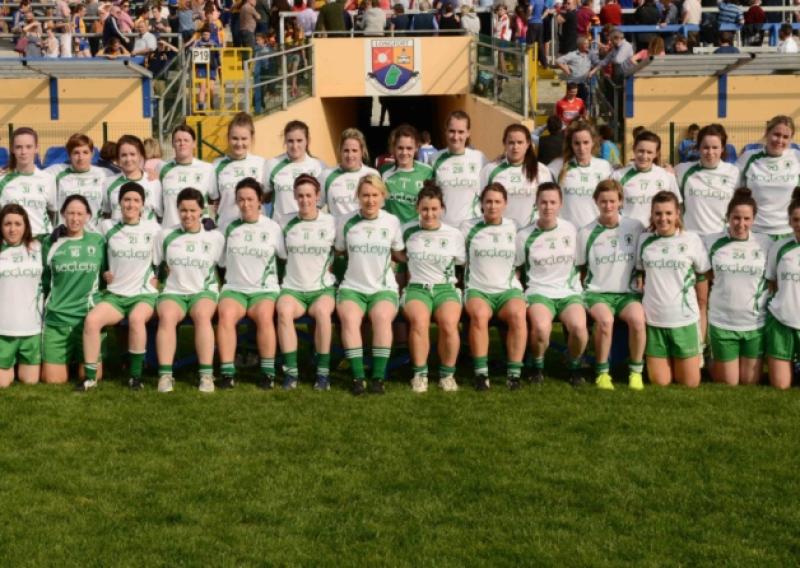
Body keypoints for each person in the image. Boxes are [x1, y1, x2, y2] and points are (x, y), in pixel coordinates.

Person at [82, 182, 161, 391]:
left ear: (143, 205)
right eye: (126, 200)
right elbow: (90, 246)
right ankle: (89, 378)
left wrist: (158, 277)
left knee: (136, 319)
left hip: (143, 294)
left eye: (136, 200)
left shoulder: (153, 228)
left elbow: (164, 258)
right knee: (92, 321)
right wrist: (104, 273)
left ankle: (135, 376)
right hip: (115, 295)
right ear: (119, 203)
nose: (131, 204)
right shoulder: (107, 226)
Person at [335, 175, 404, 395]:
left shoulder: (392, 221)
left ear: (383, 196)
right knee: (349, 319)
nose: (370, 200)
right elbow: (339, 250)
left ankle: (378, 378)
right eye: (365, 195)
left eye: (375, 195)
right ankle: (358, 378)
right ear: (358, 196)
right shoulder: (346, 221)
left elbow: (399, 254)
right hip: (352, 288)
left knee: (381, 318)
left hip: (383, 288)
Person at [216, 178, 285, 390]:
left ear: (260, 200)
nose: (245, 204)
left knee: (264, 316)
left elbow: (284, 257)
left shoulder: (273, 228)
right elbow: (220, 262)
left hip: (264, 290)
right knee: (225, 316)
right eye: (241, 200)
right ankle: (227, 373)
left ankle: (268, 373)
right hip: (235, 289)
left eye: (250, 199)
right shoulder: (228, 227)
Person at [154, 188, 225, 393]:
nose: (188, 215)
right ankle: (165, 375)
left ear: (201, 210)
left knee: (202, 315)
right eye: (183, 210)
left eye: (193, 210)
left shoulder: (215, 237)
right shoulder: (165, 235)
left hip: (203, 291)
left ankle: (206, 375)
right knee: (167, 317)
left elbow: (223, 266)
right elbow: (156, 266)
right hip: (173, 291)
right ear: (177, 210)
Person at [577, 179, 646, 390]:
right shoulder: (586, 232)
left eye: (612, 201)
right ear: (596, 202)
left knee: (638, 320)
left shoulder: (635, 227)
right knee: (605, 321)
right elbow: (581, 269)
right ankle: (602, 372)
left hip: (627, 294)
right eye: (603, 201)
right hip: (597, 294)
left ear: (621, 201)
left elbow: (643, 258)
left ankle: (636, 372)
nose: (608, 206)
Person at [636, 190, 710, 387]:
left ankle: (697, 354)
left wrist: (701, 308)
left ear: (678, 213)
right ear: (652, 215)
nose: (663, 218)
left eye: (668, 213)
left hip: (684, 320)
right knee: (660, 382)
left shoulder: (691, 240)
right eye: (658, 213)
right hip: (654, 321)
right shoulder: (644, 240)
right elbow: (640, 273)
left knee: (690, 383)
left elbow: (702, 276)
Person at [516, 182, 586, 386]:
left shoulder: (571, 230)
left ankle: (574, 365)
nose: (548, 207)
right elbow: (516, 269)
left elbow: (581, 263)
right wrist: (518, 294)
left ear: (560, 204)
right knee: (540, 328)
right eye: (544, 202)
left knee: (579, 329)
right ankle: (537, 366)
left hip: (568, 292)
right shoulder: (524, 235)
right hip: (539, 292)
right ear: (536, 203)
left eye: (553, 202)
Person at [462, 183, 527, 390]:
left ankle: (514, 375)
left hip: (508, 290)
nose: (492, 206)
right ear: (481, 204)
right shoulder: (467, 227)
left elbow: (520, 260)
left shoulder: (515, 227)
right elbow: (459, 259)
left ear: (505, 204)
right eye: (488, 201)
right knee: (479, 316)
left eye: (497, 202)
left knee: (518, 314)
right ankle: (481, 374)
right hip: (478, 289)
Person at [402, 182, 465, 392]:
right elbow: (399, 254)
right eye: (425, 209)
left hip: (445, 288)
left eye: (434, 209)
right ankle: (420, 375)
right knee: (419, 322)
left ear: (442, 209)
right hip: (417, 288)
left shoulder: (454, 234)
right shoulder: (407, 230)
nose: (429, 214)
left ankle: (447, 375)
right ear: (417, 209)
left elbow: (461, 262)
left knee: (449, 324)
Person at [703, 188, 770, 386]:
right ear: (728, 217)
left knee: (749, 382)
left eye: (746, 219)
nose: (741, 224)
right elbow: (706, 274)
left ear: (754, 219)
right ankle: (710, 357)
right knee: (729, 383)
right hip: (722, 322)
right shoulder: (711, 241)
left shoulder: (765, 243)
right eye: (736, 218)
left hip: (754, 324)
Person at [276, 175, 336, 391]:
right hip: (293, 289)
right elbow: (279, 255)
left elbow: (340, 250)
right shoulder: (284, 222)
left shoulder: (331, 222)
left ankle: (323, 373)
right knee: (283, 311)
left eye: (309, 195)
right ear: (294, 196)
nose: (305, 200)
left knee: (322, 313)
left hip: (322, 289)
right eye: (300, 196)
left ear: (317, 196)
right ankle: (291, 373)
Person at [41, 195, 106, 387]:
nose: (75, 218)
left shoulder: (98, 242)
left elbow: (105, 276)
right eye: (70, 213)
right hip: (57, 319)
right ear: (63, 214)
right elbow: (45, 280)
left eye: (79, 213)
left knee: (93, 376)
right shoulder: (50, 242)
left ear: (88, 216)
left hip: (87, 320)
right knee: (54, 380)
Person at [0, 204, 44, 388]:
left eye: (18, 224)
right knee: (2, 383)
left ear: (26, 226)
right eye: (7, 224)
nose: (12, 229)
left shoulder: (38, 247)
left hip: (32, 328)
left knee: (30, 381)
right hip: (3, 330)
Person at [737, 116, 800, 239]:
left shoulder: (796, 157)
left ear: (790, 139)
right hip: (755, 231)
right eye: (776, 134)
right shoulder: (748, 158)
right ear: (767, 133)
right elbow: (729, 188)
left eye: (785, 137)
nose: (780, 140)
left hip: (789, 232)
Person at [481, 123, 552, 229]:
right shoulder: (490, 170)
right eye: (511, 142)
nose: (515, 147)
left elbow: (550, 203)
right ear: (504, 144)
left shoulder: (542, 171)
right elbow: (480, 203)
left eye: (520, 142)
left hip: (530, 233)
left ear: (528, 144)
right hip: (500, 232)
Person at [675, 123, 740, 236]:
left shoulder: (734, 172)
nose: (710, 152)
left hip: (721, 238)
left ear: (722, 148)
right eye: (706, 147)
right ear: (698, 148)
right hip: (692, 238)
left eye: (715, 147)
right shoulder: (682, 170)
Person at [548, 120, 613, 229]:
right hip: (566, 232)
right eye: (577, 143)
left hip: (595, 232)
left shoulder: (604, 167)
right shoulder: (557, 166)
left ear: (593, 142)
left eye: (586, 142)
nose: (582, 148)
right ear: (571, 144)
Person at [765, 188, 800, 389]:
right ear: (789, 222)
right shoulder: (779, 248)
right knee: (781, 385)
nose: (799, 224)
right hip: (781, 321)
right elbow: (772, 283)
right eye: (796, 220)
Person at [210, 112, 267, 232]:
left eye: (244, 139)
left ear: (251, 138)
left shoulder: (262, 164)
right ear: (228, 138)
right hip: (225, 229)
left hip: (256, 230)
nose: (239, 144)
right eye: (235, 138)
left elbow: (269, 197)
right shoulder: (216, 165)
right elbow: (211, 199)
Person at [611, 130, 680, 227]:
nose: (644, 156)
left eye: (649, 152)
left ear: (656, 153)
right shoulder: (618, 176)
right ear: (634, 149)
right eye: (641, 151)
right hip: (627, 231)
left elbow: (676, 208)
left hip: (656, 232)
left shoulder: (667, 176)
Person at [264, 120, 326, 227]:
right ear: (285, 141)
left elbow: (321, 203)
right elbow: (263, 197)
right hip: (280, 228)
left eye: (299, 140)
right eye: (290, 141)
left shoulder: (319, 167)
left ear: (307, 140)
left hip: (310, 228)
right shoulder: (272, 164)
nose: (295, 146)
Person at [432, 111, 488, 228]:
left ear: (468, 133)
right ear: (446, 131)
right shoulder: (434, 159)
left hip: (472, 228)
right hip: (443, 228)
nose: (456, 137)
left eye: (461, 132)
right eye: (452, 131)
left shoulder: (479, 158)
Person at [0, 127, 57, 239]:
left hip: (42, 241)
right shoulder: (2, 180)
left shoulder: (48, 179)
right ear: (12, 149)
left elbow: (53, 213)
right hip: (13, 241)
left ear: (36, 148)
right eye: (18, 147)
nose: (23, 152)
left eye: (28, 147)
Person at [159, 124, 217, 229]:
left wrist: (209, 220)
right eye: (178, 140)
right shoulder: (161, 168)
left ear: (194, 143)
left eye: (186, 140)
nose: (182, 143)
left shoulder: (207, 169)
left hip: (198, 231)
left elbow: (215, 199)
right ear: (172, 144)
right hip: (171, 231)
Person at [319, 128, 380, 221]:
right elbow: (315, 208)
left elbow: (380, 209)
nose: (350, 155)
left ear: (362, 151)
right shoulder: (326, 175)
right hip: (337, 230)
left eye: (354, 150)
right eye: (346, 150)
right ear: (340, 150)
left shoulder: (373, 174)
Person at [54, 133, 107, 231]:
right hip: (65, 234)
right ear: (69, 155)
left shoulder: (103, 174)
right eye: (76, 153)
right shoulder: (56, 172)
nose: (81, 157)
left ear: (92, 154)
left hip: (94, 234)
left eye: (85, 152)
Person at [104, 135, 163, 223]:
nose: (128, 159)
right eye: (124, 155)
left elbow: (160, 215)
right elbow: (106, 214)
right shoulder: (108, 183)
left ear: (140, 156)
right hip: (118, 231)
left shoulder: (153, 182)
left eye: (132, 154)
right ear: (118, 159)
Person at [382, 125, 434, 225]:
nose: (404, 152)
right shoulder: (384, 171)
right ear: (394, 147)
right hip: (392, 230)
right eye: (400, 148)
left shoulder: (427, 171)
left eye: (409, 148)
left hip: (416, 230)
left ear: (416, 148)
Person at [555, 37, 596, 102]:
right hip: (573, 84)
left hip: (584, 84)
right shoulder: (572, 55)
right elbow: (558, 61)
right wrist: (565, 69)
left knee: (584, 103)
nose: (587, 45)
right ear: (580, 45)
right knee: (572, 102)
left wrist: (592, 71)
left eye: (588, 44)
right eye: (585, 44)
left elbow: (598, 64)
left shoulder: (590, 55)